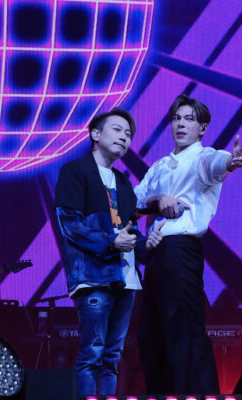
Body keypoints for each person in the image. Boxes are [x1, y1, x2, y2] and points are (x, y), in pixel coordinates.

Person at [134, 94, 242, 394]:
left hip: (180, 251)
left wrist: (231, 161)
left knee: (184, 330)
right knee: (151, 336)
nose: (181, 124)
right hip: (153, 253)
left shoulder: (201, 158)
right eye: (176, 118)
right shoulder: (159, 165)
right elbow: (134, 200)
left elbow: (217, 163)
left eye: (189, 119)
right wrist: (157, 199)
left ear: (203, 128)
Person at [54, 108, 163, 398]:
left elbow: (129, 230)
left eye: (128, 134)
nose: (124, 137)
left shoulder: (124, 183)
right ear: (95, 134)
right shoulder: (75, 171)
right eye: (117, 129)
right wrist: (112, 243)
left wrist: (146, 244)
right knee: (92, 352)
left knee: (113, 357)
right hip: (94, 277)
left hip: (127, 280)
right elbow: (70, 224)